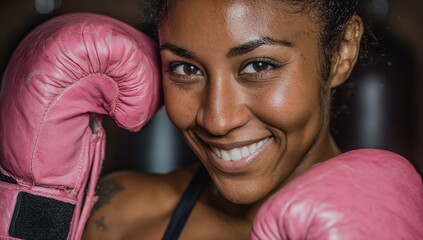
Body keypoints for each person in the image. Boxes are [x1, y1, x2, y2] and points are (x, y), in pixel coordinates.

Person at [82, 0, 423, 239]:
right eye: (186, 68)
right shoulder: (118, 219)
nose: (217, 120)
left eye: (259, 66)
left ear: (341, 52)